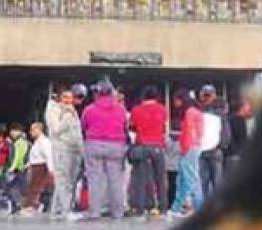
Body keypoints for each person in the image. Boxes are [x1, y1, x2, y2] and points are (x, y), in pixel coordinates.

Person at [81, 80, 130, 220]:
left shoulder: (89, 109)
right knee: (116, 180)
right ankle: (118, 213)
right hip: (116, 145)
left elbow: (84, 126)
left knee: (95, 180)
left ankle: (95, 213)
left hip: (94, 144)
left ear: (98, 93)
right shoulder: (121, 109)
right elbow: (125, 126)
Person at [128, 85, 168, 216]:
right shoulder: (163, 110)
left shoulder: (136, 110)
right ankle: (162, 207)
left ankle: (140, 207)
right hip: (158, 146)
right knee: (160, 178)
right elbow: (164, 128)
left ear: (143, 96)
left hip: (142, 146)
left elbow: (132, 129)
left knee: (141, 179)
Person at [47, 86, 85, 218]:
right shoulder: (55, 110)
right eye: (65, 97)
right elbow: (56, 129)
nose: (68, 100)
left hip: (73, 150)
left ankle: (56, 210)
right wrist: (67, 116)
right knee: (63, 180)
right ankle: (65, 210)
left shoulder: (70, 110)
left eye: (70, 98)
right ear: (59, 98)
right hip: (62, 148)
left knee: (68, 180)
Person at [171, 89, 204, 216]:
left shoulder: (189, 112)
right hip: (194, 147)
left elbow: (190, 132)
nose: (174, 103)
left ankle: (197, 207)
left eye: (176, 100)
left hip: (189, 147)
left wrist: (185, 148)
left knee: (190, 179)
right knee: (184, 179)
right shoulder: (196, 112)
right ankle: (177, 207)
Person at [197, 85, 230, 199]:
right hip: (209, 150)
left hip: (210, 150)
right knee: (210, 183)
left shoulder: (201, 111)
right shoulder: (221, 112)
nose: (206, 98)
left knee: (207, 183)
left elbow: (225, 131)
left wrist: (221, 146)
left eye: (208, 95)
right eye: (205, 95)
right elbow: (226, 131)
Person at [18, 122, 55, 216]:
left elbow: (48, 156)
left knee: (36, 187)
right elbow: (34, 156)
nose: (31, 132)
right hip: (34, 166)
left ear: (39, 130)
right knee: (32, 187)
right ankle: (31, 205)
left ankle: (32, 206)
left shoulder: (45, 142)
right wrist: (27, 165)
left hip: (41, 167)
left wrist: (51, 170)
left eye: (33, 130)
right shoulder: (37, 142)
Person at [4, 124, 32, 213]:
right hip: (21, 169)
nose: (11, 133)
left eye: (13, 131)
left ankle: (20, 206)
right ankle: (16, 206)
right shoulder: (21, 141)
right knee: (16, 188)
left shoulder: (20, 142)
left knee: (15, 188)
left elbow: (18, 157)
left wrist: (12, 168)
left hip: (20, 170)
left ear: (18, 131)